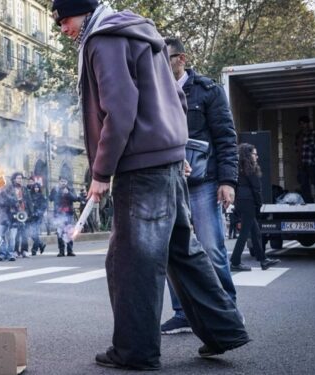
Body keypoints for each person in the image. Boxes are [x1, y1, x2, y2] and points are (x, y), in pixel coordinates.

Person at [52, 0, 249, 369]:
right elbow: (175, 95)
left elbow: (121, 108)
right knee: (182, 251)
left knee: (130, 261)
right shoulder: (142, 33)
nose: (63, 28)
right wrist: (177, 147)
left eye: (64, 19)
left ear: (83, 13)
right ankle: (226, 329)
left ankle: (135, 351)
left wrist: (100, 171)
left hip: (139, 166)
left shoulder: (102, 40)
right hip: (165, 158)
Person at [160, 37, 240, 335]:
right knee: (172, 250)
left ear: (181, 59)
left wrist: (227, 181)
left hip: (205, 183)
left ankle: (228, 312)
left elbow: (225, 138)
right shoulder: (154, 91)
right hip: (169, 183)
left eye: (164, 58)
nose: (157, 65)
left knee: (212, 249)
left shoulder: (208, 90)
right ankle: (183, 314)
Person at [230, 144, 281, 271]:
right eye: (254, 154)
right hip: (249, 202)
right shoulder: (250, 168)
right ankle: (235, 262)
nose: (256, 157)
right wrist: (259, 204)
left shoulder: (238, 168)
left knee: (256, 232)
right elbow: (256, 189)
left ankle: (263, 260)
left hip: (241, 201)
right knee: (244, 233)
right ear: (248, 155)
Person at [295, 116, 315, 203]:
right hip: (302, 164)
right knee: (304, 185)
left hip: (311, 163)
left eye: (304, 123)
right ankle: (308, 203)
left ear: (308, 124)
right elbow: (297, 150)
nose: (302, 125)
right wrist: (299, 164)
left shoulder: (313, 133)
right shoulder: (298, 135)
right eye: (300, 124)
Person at [49, 177, 80, 257]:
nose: (63, 183)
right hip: (59, 215)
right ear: (59, 182)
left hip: (68, 214)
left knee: (69, 232)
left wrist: (68, 193)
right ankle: (61, 251)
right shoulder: (55, 189)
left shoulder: (70, 189)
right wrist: (58, 192)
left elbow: (75, 199)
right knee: (60, 233)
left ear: (67, 182)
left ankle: (70, 250)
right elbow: (51, 198)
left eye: (65, 181)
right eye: (62, 181)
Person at [27, 183, 47, 255]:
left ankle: (34, 250)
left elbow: (44, 206)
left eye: (37, 187)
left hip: (38, 217)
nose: (36, 189)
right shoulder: (30, 195)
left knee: (35, 232)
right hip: (31, 216)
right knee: (31, 233)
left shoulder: (42, 196)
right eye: (35, 187)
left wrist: (38, 213)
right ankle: (41, 244)